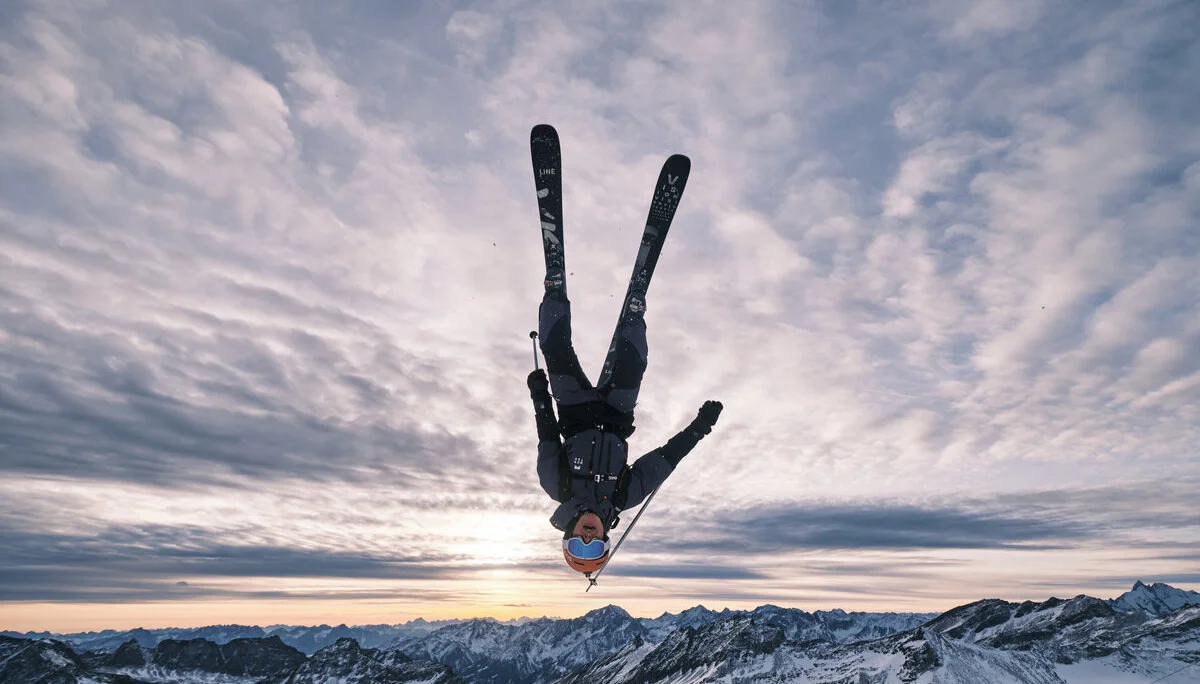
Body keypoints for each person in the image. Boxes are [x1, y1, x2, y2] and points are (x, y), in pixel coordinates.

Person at [528, 284, 722, 576]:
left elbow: (547, 437)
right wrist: (700, 427)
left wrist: (540, 396)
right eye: (594, 547)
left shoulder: (557, 485)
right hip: (616, 414)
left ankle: (554, 293)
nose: (587, 538)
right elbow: (666, 459)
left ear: (567, 534)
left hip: (574, 409)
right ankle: (634, 314)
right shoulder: (625, 495)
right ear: (606, 539)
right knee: (633, 364)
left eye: (577, 545)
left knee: (555, 349)